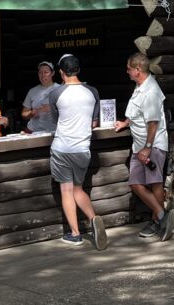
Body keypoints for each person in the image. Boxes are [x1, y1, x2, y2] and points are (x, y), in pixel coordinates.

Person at [113, 52, 173, 241]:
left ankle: (158, 221)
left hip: (152, 146)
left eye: (129, 69)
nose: (127, 72)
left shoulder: (151, 91)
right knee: (135, 183)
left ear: (138, 70)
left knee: (155, 183)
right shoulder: (140, 87)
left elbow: (153, 122)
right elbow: (137, 113)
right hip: (139, 146)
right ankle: (162, 216)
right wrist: (125, 123)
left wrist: (147, 147)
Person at [48, 54, 106, 249]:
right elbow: (94, 122)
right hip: (82, 148)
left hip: (62, 147)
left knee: (66, 190)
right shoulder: (92, 92)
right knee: (78, 189)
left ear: (61, 73)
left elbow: (56, 120)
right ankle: (93, 218)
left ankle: (75, 234)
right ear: (79, 70)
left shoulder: (56, 94)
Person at [21, 61, 58, 134]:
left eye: (46, 72)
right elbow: (24, 114)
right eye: (40, 72)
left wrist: (52, 108)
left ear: (52, 73)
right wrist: (31, 114)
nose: (43, 75)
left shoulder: (59, 89)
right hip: (34, 131)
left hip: (54, 132)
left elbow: (69, 112)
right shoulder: (32, 91)